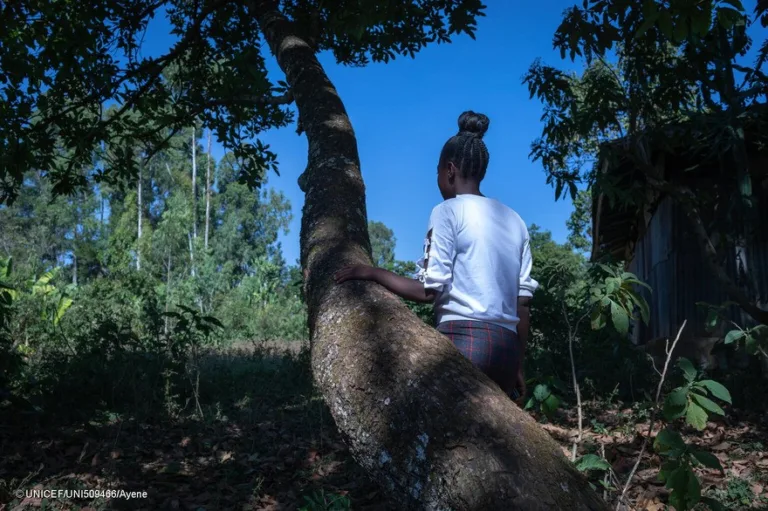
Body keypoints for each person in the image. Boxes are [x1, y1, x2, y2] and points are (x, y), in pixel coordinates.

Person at [334, 111, 538, 402]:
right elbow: (524, 302)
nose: (437, 179)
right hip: (505, 349)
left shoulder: (447, 211)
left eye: (438, 171)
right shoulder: (514, 219)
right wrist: (517, 362)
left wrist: (372, 272)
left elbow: (429, 290)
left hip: (465, 342)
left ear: (450, 170)